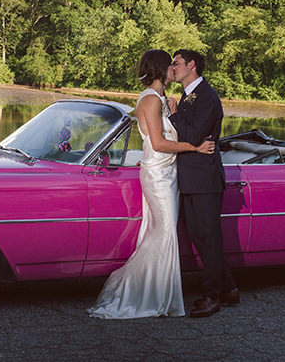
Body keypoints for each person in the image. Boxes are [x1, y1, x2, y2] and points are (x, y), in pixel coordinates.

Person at [87, 49, 215, 319]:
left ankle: (156, 291)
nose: (173, 69)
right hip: (159, 175)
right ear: (160, 69)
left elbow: (152, 141)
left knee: (159, 231)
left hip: (164, 171)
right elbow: (157, 143)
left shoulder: (157, 98)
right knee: (163, 232)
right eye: (170, 65)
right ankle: (148, 293)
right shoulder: (152, 100)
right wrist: (195, 147)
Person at [167, 49, 238, 319]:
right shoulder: (189, 94)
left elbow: (195, 136)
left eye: (177, 63)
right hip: (191, 178)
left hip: (205, 179)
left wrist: (174, 113)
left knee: (208, 238)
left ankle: (211, 296)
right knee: (200, 236)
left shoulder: (207, 97)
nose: (173, 68)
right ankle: (229, 288)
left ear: (192, 65)